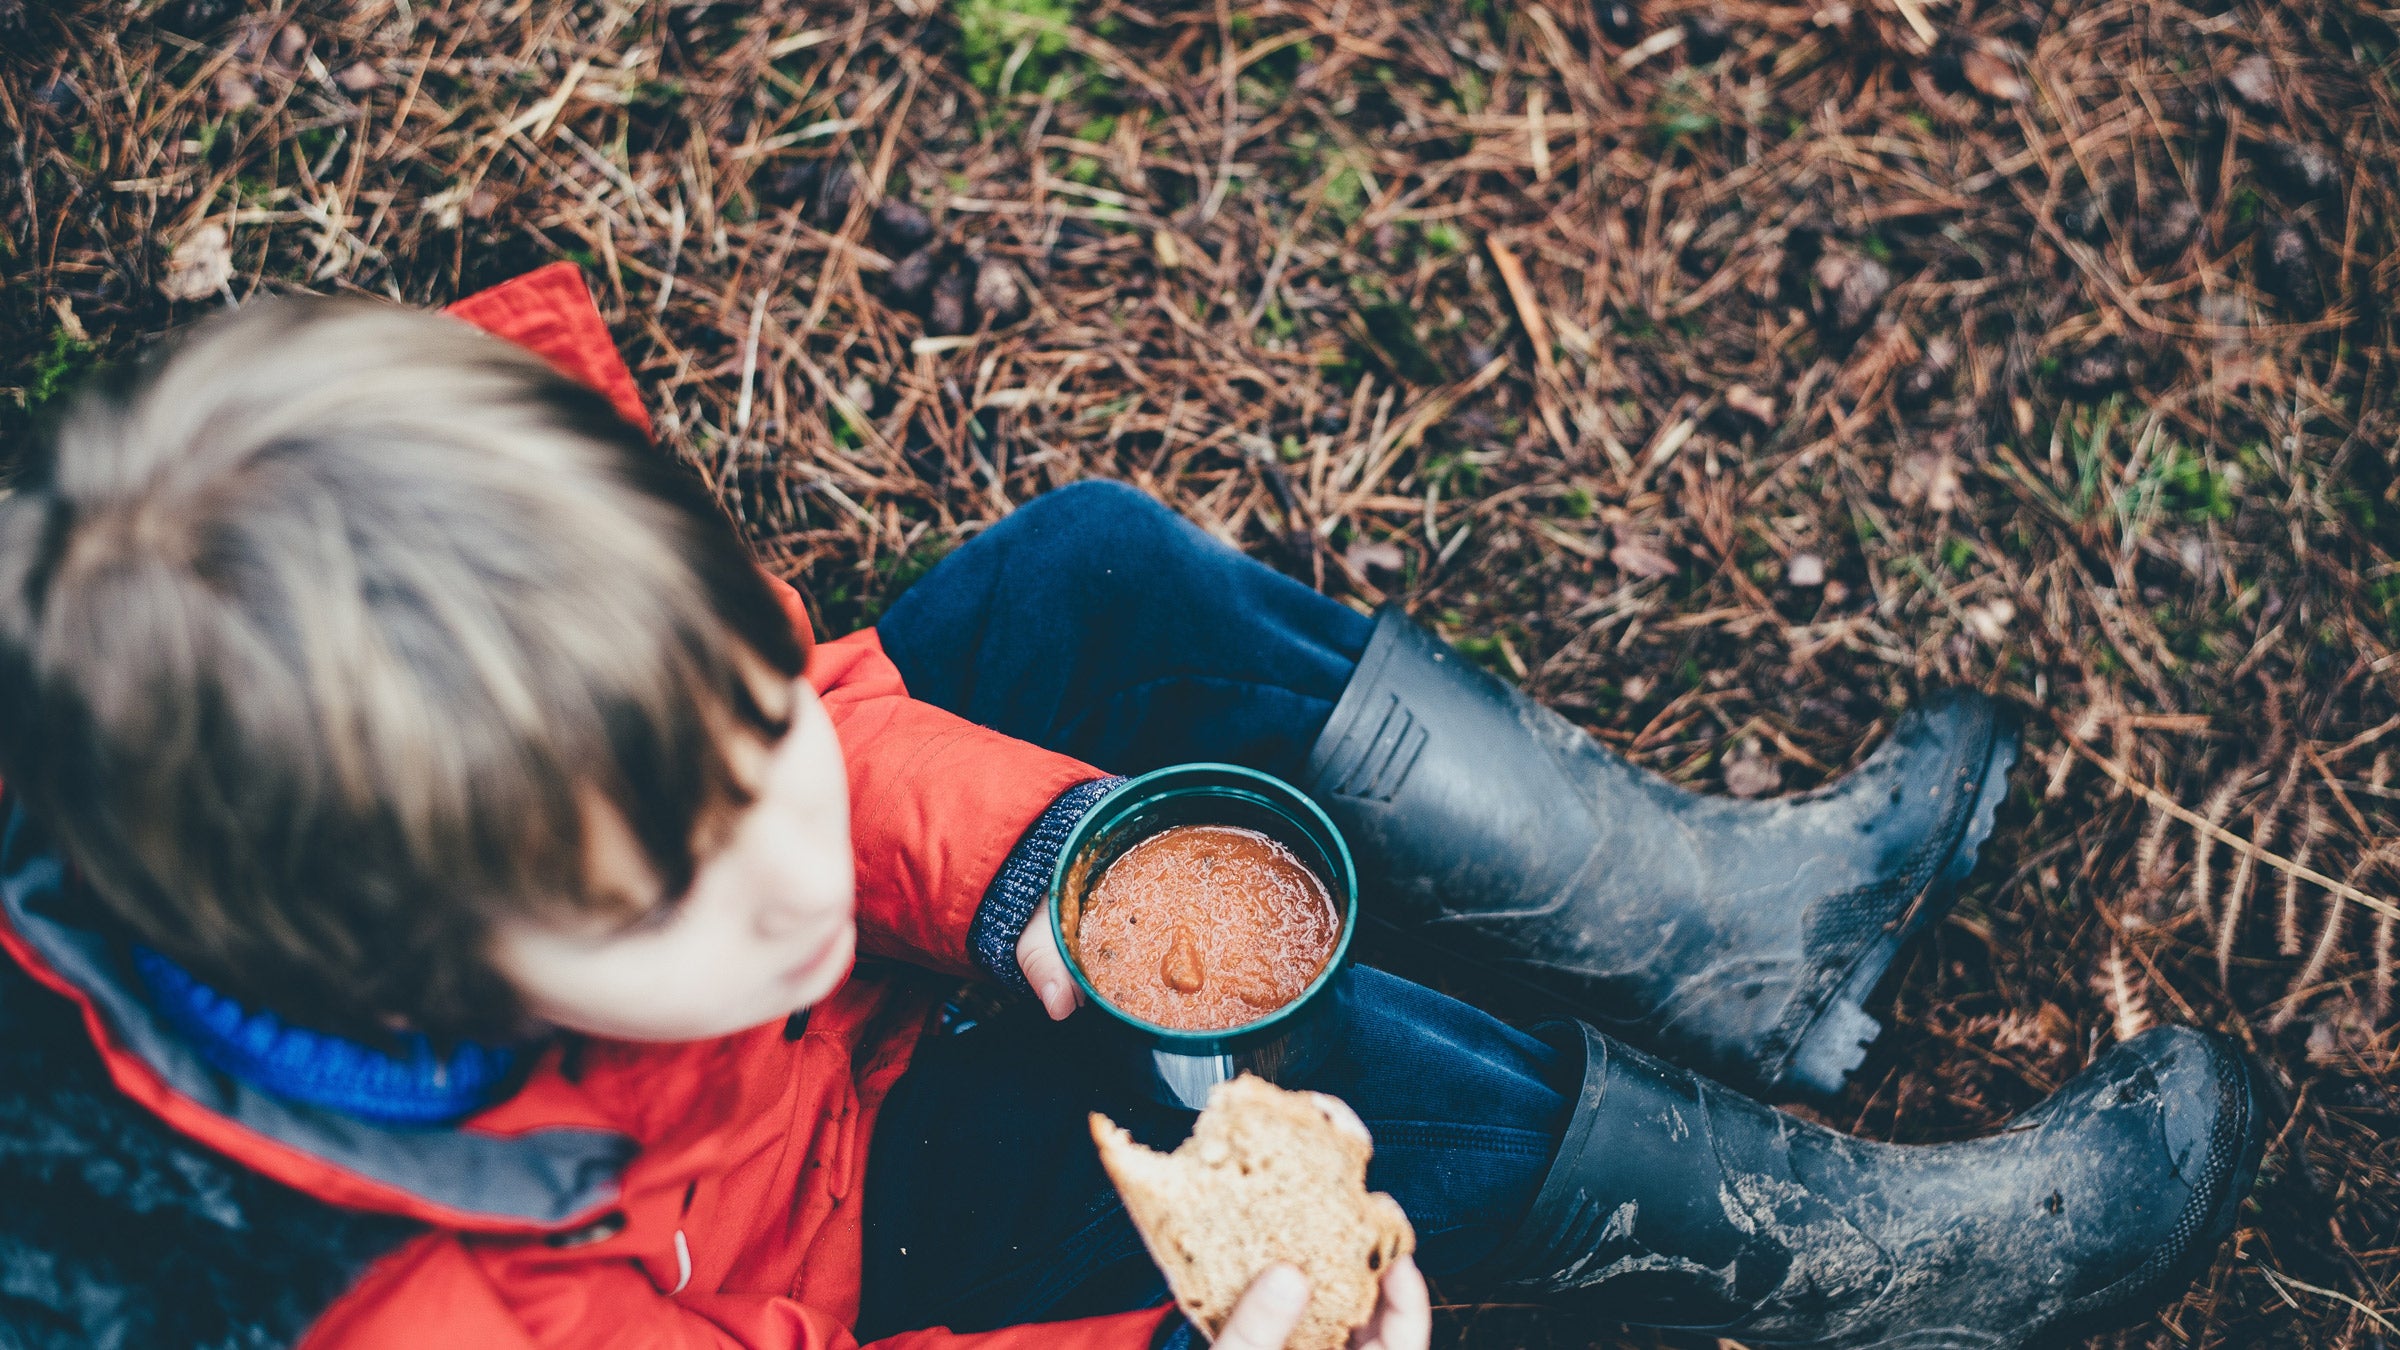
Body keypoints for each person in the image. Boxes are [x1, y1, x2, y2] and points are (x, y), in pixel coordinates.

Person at [0, 265, 2262, 1350]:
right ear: (406, 978)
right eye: (681, 873)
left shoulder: (475, 632)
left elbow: (822, 718)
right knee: (1320, 1083)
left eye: (746, 734)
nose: (790, 854)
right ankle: (1852, 1275)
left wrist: (1015, 872)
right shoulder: (414, 1310)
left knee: (1091, 578)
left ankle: (1743, 937)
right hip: (833, 1276)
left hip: (805, 1068)